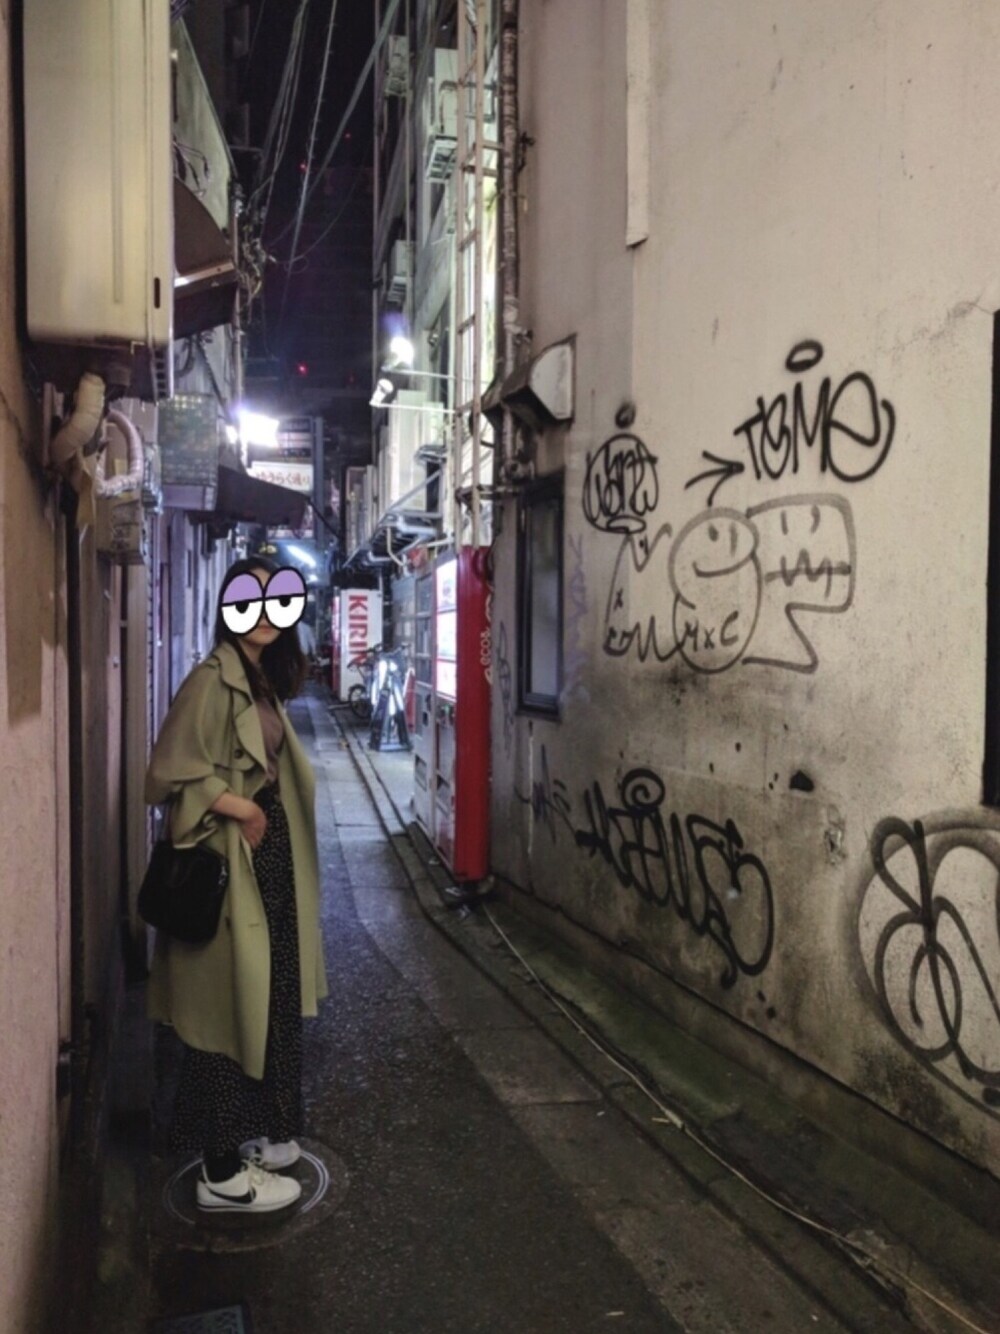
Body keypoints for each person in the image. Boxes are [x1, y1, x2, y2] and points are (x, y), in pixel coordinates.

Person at [145, 557, 328, 1214]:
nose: (264, 613)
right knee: (225, 1010)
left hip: (265, 864)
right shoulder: (212, 680)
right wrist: (242, 808)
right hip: (230, 866)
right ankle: (221, 1174)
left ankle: (261, 1131)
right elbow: (166, 775)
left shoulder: (259, 678)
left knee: (267, 1000)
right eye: (250, 598)